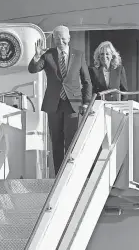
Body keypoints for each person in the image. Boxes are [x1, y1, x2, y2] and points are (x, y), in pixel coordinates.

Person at [28, 25, 92, 176]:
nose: (60, 41)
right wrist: (37, 56)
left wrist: (86, 102)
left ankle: (70, 173)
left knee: (71, 140)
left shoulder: (79, 55)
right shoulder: (48, 54)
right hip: (54, 104)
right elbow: (33, 69)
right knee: (56, 141)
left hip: (73, 104)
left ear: (69, 38)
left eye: (63, 38)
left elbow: (87, 81)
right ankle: (58, 175)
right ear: (53, 39)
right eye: (57, 38)